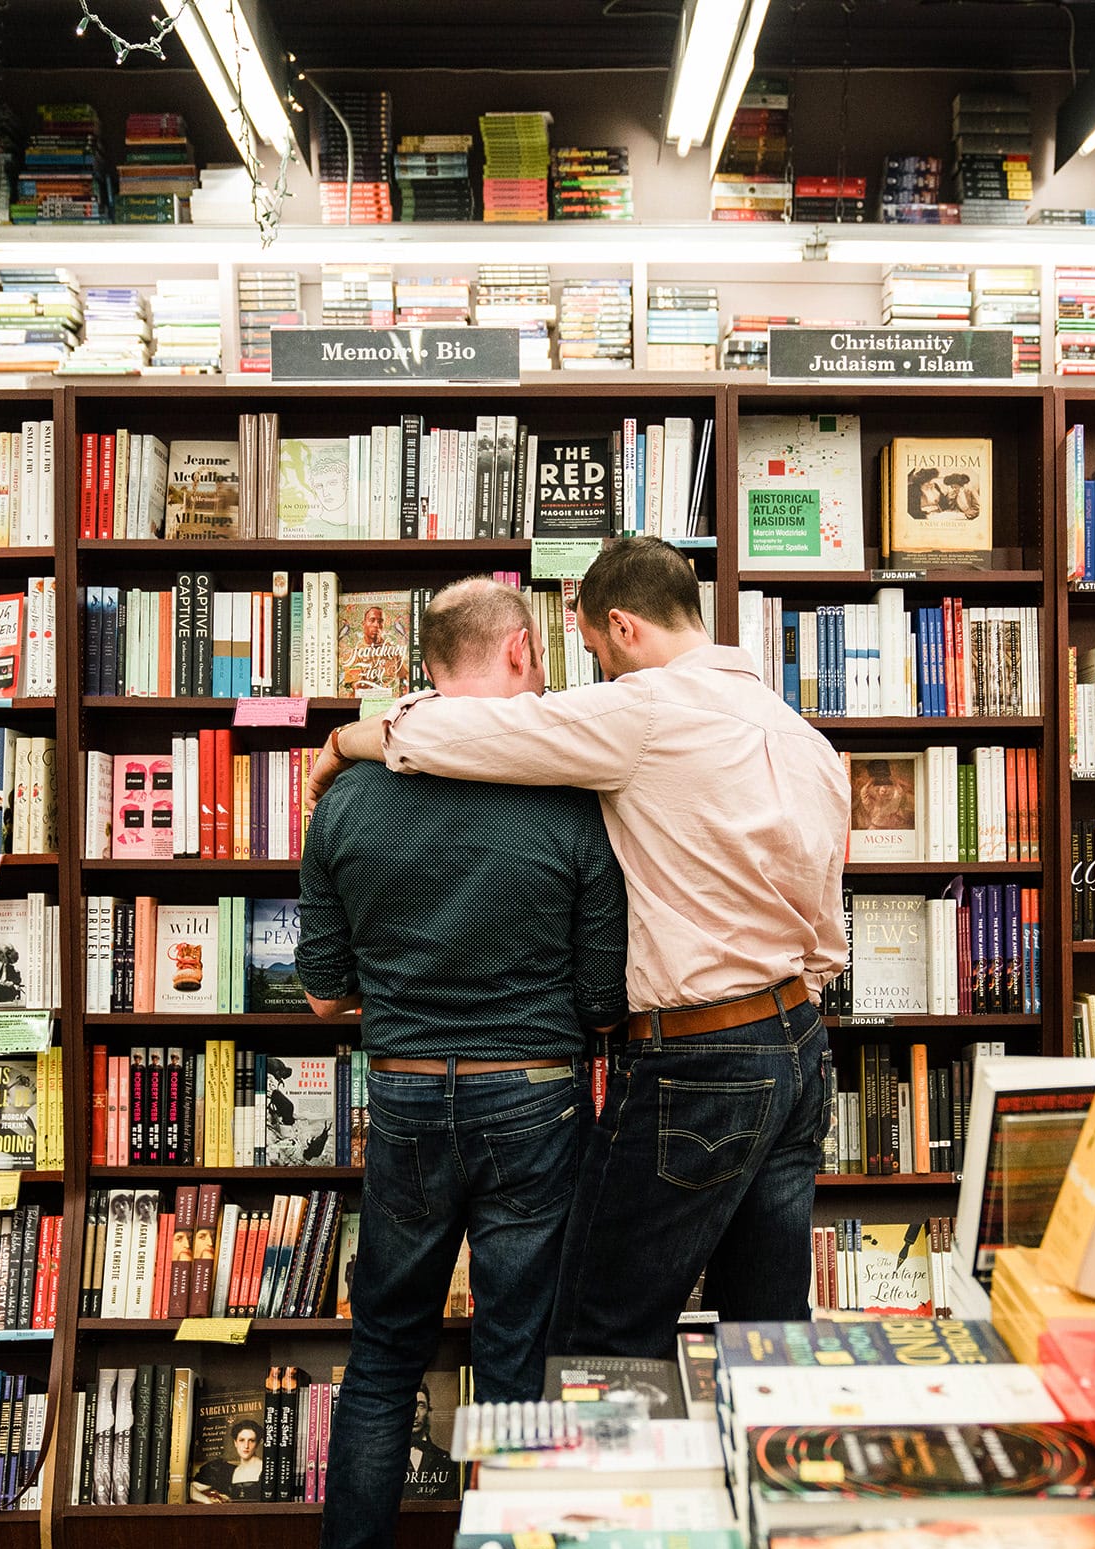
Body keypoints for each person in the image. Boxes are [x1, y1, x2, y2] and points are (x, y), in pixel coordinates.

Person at [306, 537, 851, 1358]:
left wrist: (347, 741)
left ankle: (593, 1492)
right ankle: (767, 1479)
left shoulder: (642, 711)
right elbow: (823, 928)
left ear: (623, 627)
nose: (592, 670)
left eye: (594, 650)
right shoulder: (802, 736)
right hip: (799, 1046)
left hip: (698, 1054)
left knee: (596, 1335)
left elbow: (470, 732)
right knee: (765, 1338)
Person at [300, 576, 627, 1549]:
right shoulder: (570, 801)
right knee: (517, 1357)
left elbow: (321, 997)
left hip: (400, 1094)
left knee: (384, 1354)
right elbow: (605, 995)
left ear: (424, 665)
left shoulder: (343, 798)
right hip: (534, 1091)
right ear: (524, 653)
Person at [190, 1419, 263, 1503]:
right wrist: (207, 1501)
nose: (246, 1446)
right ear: (235, 1443)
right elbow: (189, 1489)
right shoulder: (224, 1471)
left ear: (258, 1443)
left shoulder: (267, 1470)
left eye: (251, 1440)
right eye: (242, 1440)